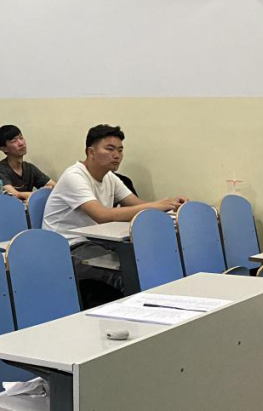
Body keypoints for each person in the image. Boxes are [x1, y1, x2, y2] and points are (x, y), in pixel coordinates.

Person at [43, 124, 186, 293]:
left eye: (120, 150)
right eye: (110, 149)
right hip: (69, 246)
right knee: (130, 275)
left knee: (151, 261)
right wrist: (157, 205)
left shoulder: (110, 177)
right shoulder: (74, 176)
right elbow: (102, 215)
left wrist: (171, 206)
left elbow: (137, 205)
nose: (117, 155)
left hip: (97, 241)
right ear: (91, 152)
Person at [0, 125, 55, 202]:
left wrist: (47, 191)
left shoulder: (30, 168)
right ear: (4, 149)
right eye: (14, 141)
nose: (21, 143)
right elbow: (14, 195)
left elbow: (56, 189)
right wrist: (42, 194)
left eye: (21, 138)